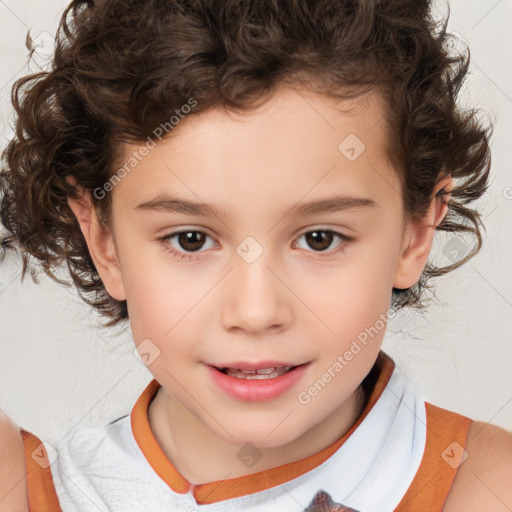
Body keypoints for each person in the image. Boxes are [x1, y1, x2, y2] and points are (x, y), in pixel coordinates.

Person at [0, 0, 511, 510]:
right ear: (104, 242)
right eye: (191, 240)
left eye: (320, 239)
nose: (255, 311)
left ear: (415, 232)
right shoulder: (28, 490)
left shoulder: (487, 488)